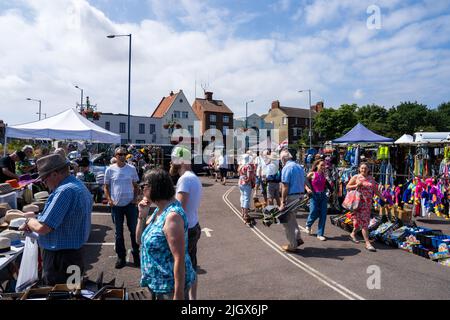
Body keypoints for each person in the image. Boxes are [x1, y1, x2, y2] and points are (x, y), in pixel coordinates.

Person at [19, 154, 92, 285]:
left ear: (54, 174)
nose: (43, 183)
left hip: (60, 259)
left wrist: (28, 221)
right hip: (71, 255)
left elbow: (43, 228)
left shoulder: (65, 191)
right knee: (71, 292)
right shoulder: (77, 185)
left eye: (44, 179)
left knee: (58, 293)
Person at [136, 169, 196, 300]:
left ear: (154, 187)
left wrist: (178, 295)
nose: (141, 190)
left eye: (143, 186)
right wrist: (141, 216)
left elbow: (179, 258)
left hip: (168, 289)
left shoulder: (172, 216)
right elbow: (139, 240)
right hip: (156, 284)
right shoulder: (159, 210)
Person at [169, 146, 202, 300]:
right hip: (193, 225)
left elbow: (179, 209)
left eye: (174, 159)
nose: (171, 162)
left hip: (186, 229)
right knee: (192, 266)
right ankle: (193, 298)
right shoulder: (193, 177)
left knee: (182, 268)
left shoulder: (185, 179)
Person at [104, 147, 140, 269]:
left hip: (130, 205)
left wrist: (135, 199)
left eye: (124, 154)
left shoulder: (131, 169)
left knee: (134, 231)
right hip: (116, 206)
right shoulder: (110, 170)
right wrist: (109, 200)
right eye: (119, 154)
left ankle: (136, 255)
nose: (122, 156)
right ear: (115, 155)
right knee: (118, 233)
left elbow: (136, 186)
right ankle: (121, 257)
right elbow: (106, 186)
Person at [346, 163, 386, 252]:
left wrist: (383, 198)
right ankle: (367, 243)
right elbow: (347, 186)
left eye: (365, 168)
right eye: (362, 168)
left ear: (368, 169)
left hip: (367, 204)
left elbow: (375, 190)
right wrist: (356, 185)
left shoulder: (371, 178)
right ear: (359, 169)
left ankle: (353, 234)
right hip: (358, 203)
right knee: (361, 222)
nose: (364, 170)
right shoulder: (356, 177)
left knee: (362, 222)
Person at [279, 150, 305, 252]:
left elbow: (285, 186)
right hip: (300, 195)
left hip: (291, 197)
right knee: (292, 217)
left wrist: (283, 202)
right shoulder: (299, 166)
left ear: (283, 159)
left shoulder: (287, 168)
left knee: (286, 221)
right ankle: (298, 238)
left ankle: (292, 245)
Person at [305, 159, 332, 241]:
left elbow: (327, 184)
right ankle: (308, 224)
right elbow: (305, 182)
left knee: (323, 215)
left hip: (323, 196)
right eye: (321, 165)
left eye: (324, 165)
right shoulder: (312, 174)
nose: (323, 167)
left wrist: (331, 190)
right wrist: (307, 189)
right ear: (317, 165)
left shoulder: (324, 175)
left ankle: (320, 234)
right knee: (314, 211)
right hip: (314, 195)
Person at [238, 154, 256, 226]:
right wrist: (250, 181)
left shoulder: (241, 166)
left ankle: (243, 212)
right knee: (246, 198)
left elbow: (239, 173)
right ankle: (245, 214)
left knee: (242, 197)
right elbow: (249, 177)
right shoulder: (248, 166)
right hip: (246, 183)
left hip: (240, 182)